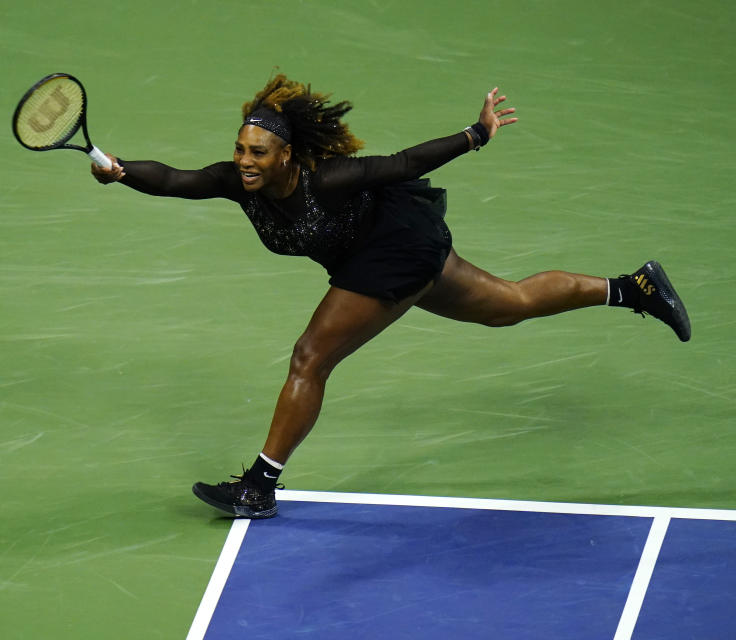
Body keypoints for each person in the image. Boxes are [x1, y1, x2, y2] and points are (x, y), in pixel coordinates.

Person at [90, 75, 690, 519]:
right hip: (382, 255)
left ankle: (259, 486)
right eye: (242, 150)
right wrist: (119, 170)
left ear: (286, 156)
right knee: (509, 305)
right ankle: (633, 288)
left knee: (310, 357)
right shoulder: (236, 182)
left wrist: (476, 134)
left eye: (258, 153)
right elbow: (173, 180)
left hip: (395, 250)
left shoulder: (328, 180)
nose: (245, 162)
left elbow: (405, 162)